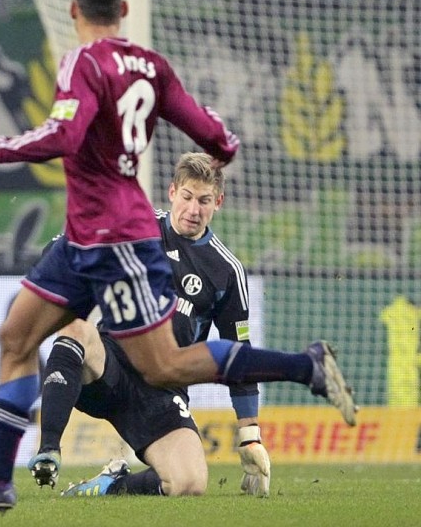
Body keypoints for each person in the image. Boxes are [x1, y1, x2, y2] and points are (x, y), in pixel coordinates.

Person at [0, 0, 356, 515]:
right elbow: (218, 137)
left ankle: (305, 366)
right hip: (86, 237)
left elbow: (64, 134)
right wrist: (218, 141)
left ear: (75, 11)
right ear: (123, 12)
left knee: (165, 368)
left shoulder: (82, 62)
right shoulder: (152, 68)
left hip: (113, 239)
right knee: (16, 336)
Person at [28, 152, 268, 499]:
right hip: (108, 368)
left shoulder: (225, 270)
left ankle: (112, 486)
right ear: (172, 192)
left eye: (204, 201)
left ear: (218, 202)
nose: (193, 209)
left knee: (189, 484)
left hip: (161, 391)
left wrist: (250, 437)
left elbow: (239, 358)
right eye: (187, 197)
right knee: (76, 332)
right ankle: (49, 448)